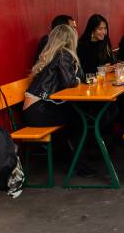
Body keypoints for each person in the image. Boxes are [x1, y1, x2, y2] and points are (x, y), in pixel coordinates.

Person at [24, 24, 93, 176]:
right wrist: (76, 77)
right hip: (39, 110)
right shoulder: (63, 54)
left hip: (34, 109)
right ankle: (79, 165)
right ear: (70, 39)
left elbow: (74, 79)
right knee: (80, 120)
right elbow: (70, 82)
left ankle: (78, 162)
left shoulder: (55, 53)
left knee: (78, 117)